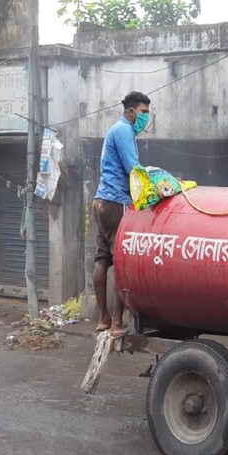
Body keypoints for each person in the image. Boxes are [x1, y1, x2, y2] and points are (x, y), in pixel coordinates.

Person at [92, 91, 151, 335]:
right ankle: (117, 321)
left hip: (100, 201)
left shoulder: (114, 130)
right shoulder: (124, 131)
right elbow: (133, 169)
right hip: (116, 202)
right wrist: (154, 184)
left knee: (102, 258)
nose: (146, 118)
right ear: (131, 112)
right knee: (120, 262)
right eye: (144, 112)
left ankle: (103, 318)